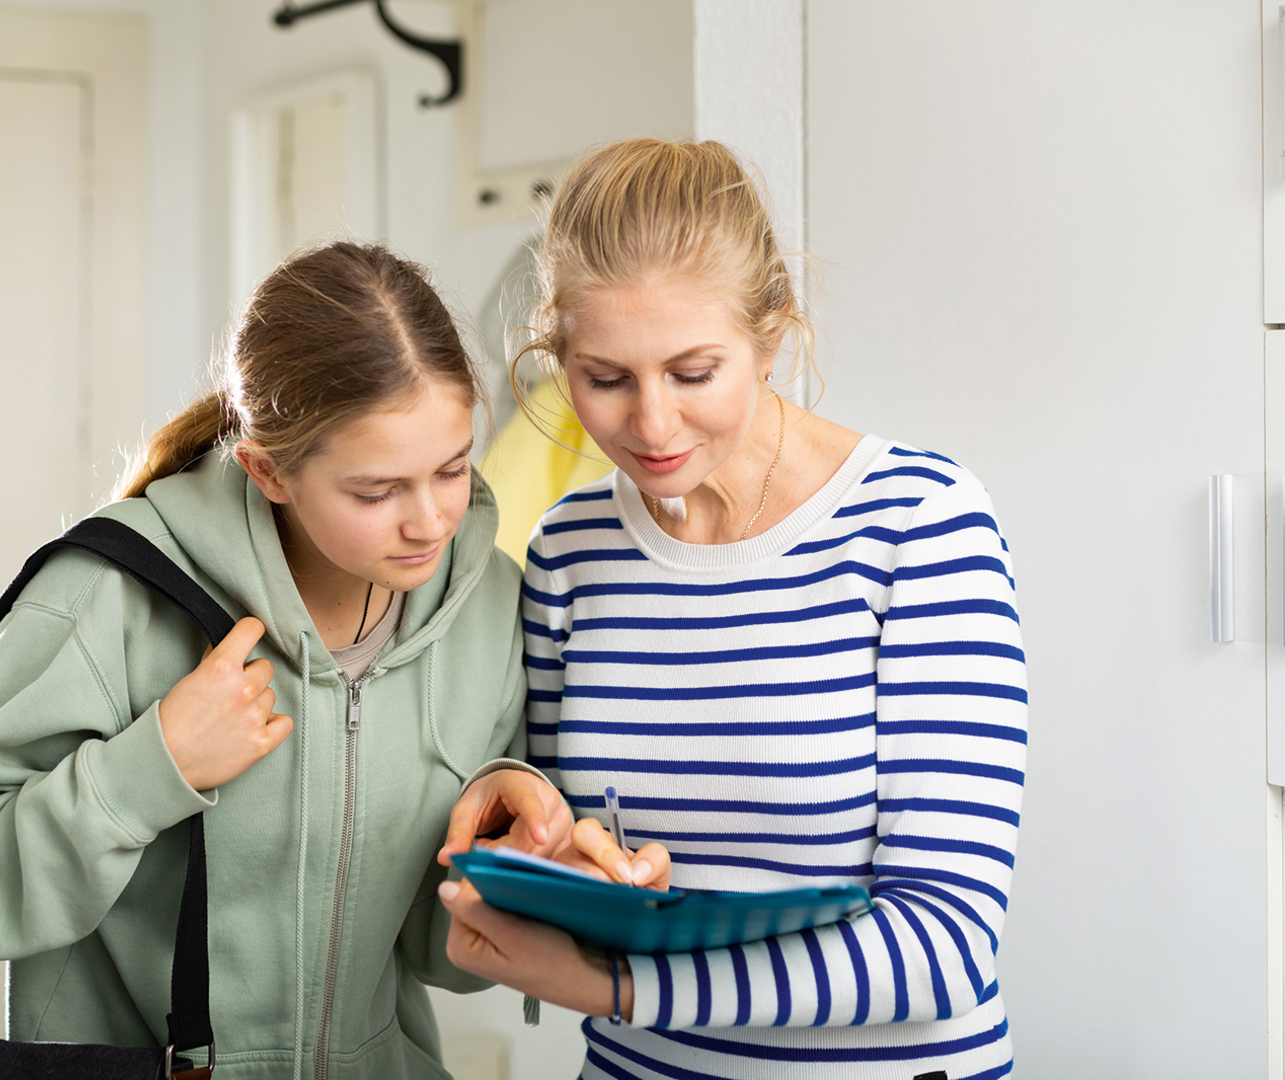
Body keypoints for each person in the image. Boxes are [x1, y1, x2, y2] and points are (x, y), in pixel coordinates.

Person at [0, 240, 569, 1080]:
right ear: (267, 471)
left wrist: (508, 860)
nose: (430, 521)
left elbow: (446, 960)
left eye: (451, 470)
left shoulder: (488, 603)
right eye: (376, 490)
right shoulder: (108, 595)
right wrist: (152, 768)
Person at [436, 139, 1027, 1080]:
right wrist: (564, 865)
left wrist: (623, 989)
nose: (652, 424)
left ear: (772, 335)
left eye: (693, 373)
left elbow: (945, 945)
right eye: (605, 378)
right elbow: (573, 845)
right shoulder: (567, 551)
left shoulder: (919, 524)